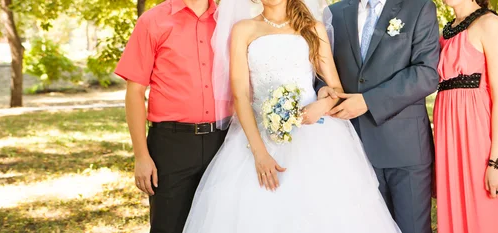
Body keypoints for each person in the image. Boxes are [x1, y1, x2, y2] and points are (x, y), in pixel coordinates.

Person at [181, 0, 401, 232]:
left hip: (316, 136)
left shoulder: (313, 28)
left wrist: (322, 104)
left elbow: (336, 89)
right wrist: (260, 153)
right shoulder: (243, 29)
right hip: (259, 138)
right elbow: (241, 96)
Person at [319, 0, 440, 232]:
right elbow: (324, 70)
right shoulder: (334, 13)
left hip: (405, 151)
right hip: (353, 148)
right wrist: (323, 88)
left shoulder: (419, 7)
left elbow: (426, 73)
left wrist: (368, 101)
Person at [114, 0, 227, 232]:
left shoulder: (227, 21)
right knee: (168, 226)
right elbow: (135, 92)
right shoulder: (152, 20)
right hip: (171, 145)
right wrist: (141, 156)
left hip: (223, 142)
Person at [432, 0, 498, 232]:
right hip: (449, 136)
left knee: (486, 214)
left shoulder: (489, 24)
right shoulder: (444, 32)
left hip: (477, 135)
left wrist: (497, 162)